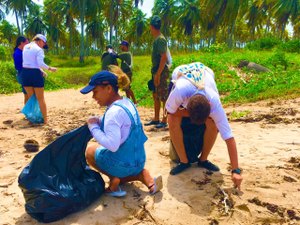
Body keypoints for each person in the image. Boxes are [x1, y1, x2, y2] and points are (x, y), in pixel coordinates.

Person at [80, 66, 163, 197]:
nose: (93, 97)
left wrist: (93, 127)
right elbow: (123, 125)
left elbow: (112, 145)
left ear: (108, 89)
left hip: (122, 165)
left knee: (91, 151)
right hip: (139, 160)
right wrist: (101, 120)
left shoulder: (113, 112)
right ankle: (142, 175)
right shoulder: (127, 103)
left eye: (95, 92)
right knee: (115, 151)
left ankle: (114, 178)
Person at [166, 62, 243, 190]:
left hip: (206, 72)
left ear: (210, 106)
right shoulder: (179, 92)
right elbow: (169, 111)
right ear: (185, 106)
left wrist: (236, 170)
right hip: (180, 74)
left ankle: (203, 159)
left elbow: (229, 137)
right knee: (172, 120)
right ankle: (184, 161)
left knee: (213, 124)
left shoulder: (214, 102)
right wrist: (184, 114)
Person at [21, 34, 57, 124]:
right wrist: (50, 68)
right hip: (35, 74)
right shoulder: (39, 50)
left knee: (31, 98)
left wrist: (41, 70)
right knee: (40, 98)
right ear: (40, 40)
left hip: (25, 73)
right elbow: (40, 63)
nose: (43, 46)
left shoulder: (26, 47)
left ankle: (31, 119)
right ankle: (45, 120)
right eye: (44, 44)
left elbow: (30, 62)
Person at [144, 15, 170, 129]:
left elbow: (163, 58)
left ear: (151, 26)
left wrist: (158, 74)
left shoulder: (160, 39)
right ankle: (156, 118)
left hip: (161, 71)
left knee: (163, 96)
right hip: (156, 70)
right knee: (155, 95)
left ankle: (164, 120)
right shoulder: (157, 39)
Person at [13, 36, 29, 104]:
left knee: (28, 94)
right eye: (26, 43)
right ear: (21, 43)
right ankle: (28, 111)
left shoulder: (22, 52)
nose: (28, 45)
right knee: (27, 94)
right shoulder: (18, 53)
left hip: (24, 74)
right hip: (23, 74)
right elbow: (18, 67)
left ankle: (28, 111)